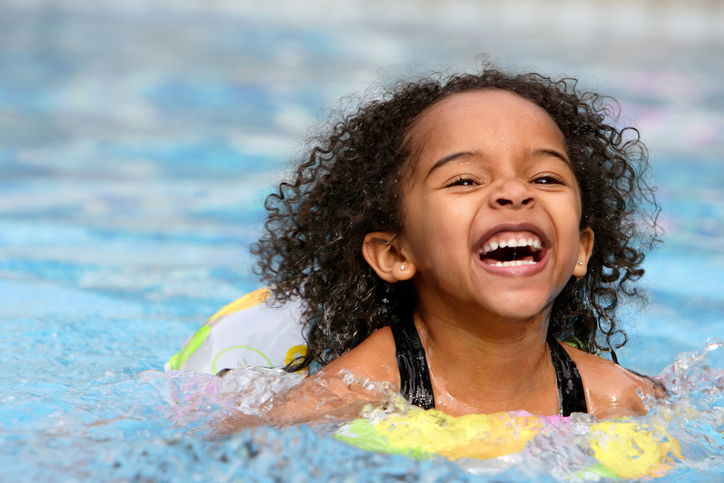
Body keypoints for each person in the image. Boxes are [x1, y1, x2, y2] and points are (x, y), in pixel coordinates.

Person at [234, 64, 663, 428]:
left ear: (581, 251)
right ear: (395, 254)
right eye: (465, 181)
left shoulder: (621, 400)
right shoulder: (349, 397)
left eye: (545, 178)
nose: (514, 192)